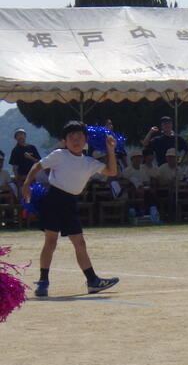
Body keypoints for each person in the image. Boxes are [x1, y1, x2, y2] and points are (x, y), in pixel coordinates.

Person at [21, 121, 120, 298]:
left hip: (70, 202)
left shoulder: (89, 162)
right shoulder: (59, 155)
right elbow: (38, 166)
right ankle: (43, 281)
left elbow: (112, 172)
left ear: (86, 140)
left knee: (79, 243)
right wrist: (27, 183)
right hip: (53, 199)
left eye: (79, 137)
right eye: (71, 137)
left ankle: (92, 281)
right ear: (64, 141)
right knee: (51, 241)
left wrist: (110, 150)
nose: (76, 140)